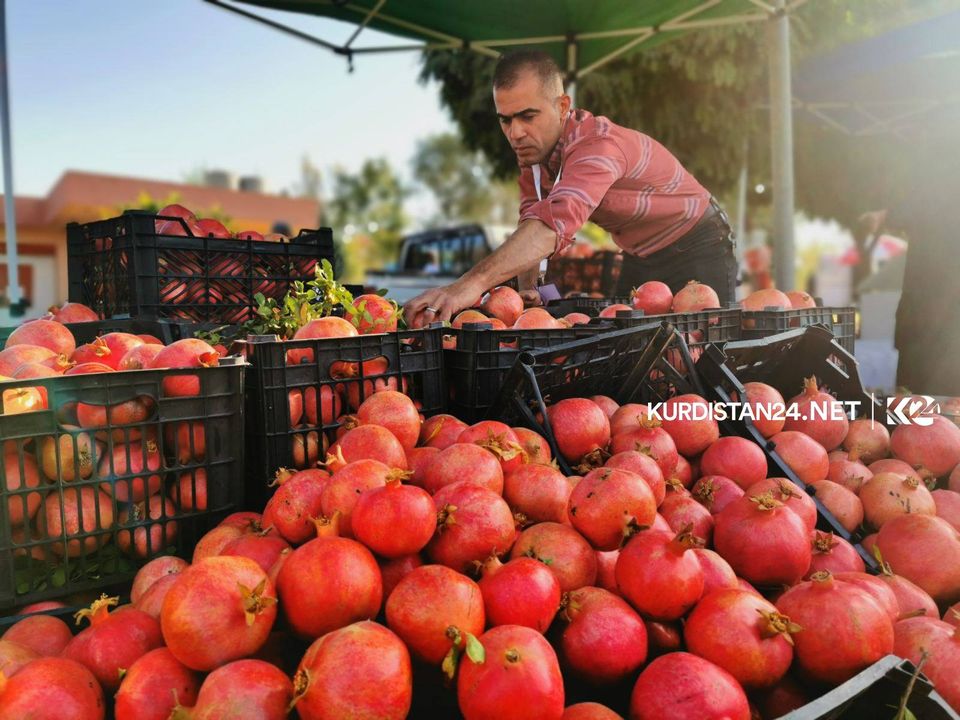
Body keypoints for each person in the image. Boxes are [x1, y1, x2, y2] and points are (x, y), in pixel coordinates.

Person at [405, 50, 735, 327]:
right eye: (505, 120)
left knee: (707, 358)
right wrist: (529, 289)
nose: (515, 132)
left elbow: (552, 225)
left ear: (563, 107)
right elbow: (532, 220)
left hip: (697, 242)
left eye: (528, 116)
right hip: (640, 255)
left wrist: (469, 285)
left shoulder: (597, 146)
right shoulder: (534, 157)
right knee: (627, 353)